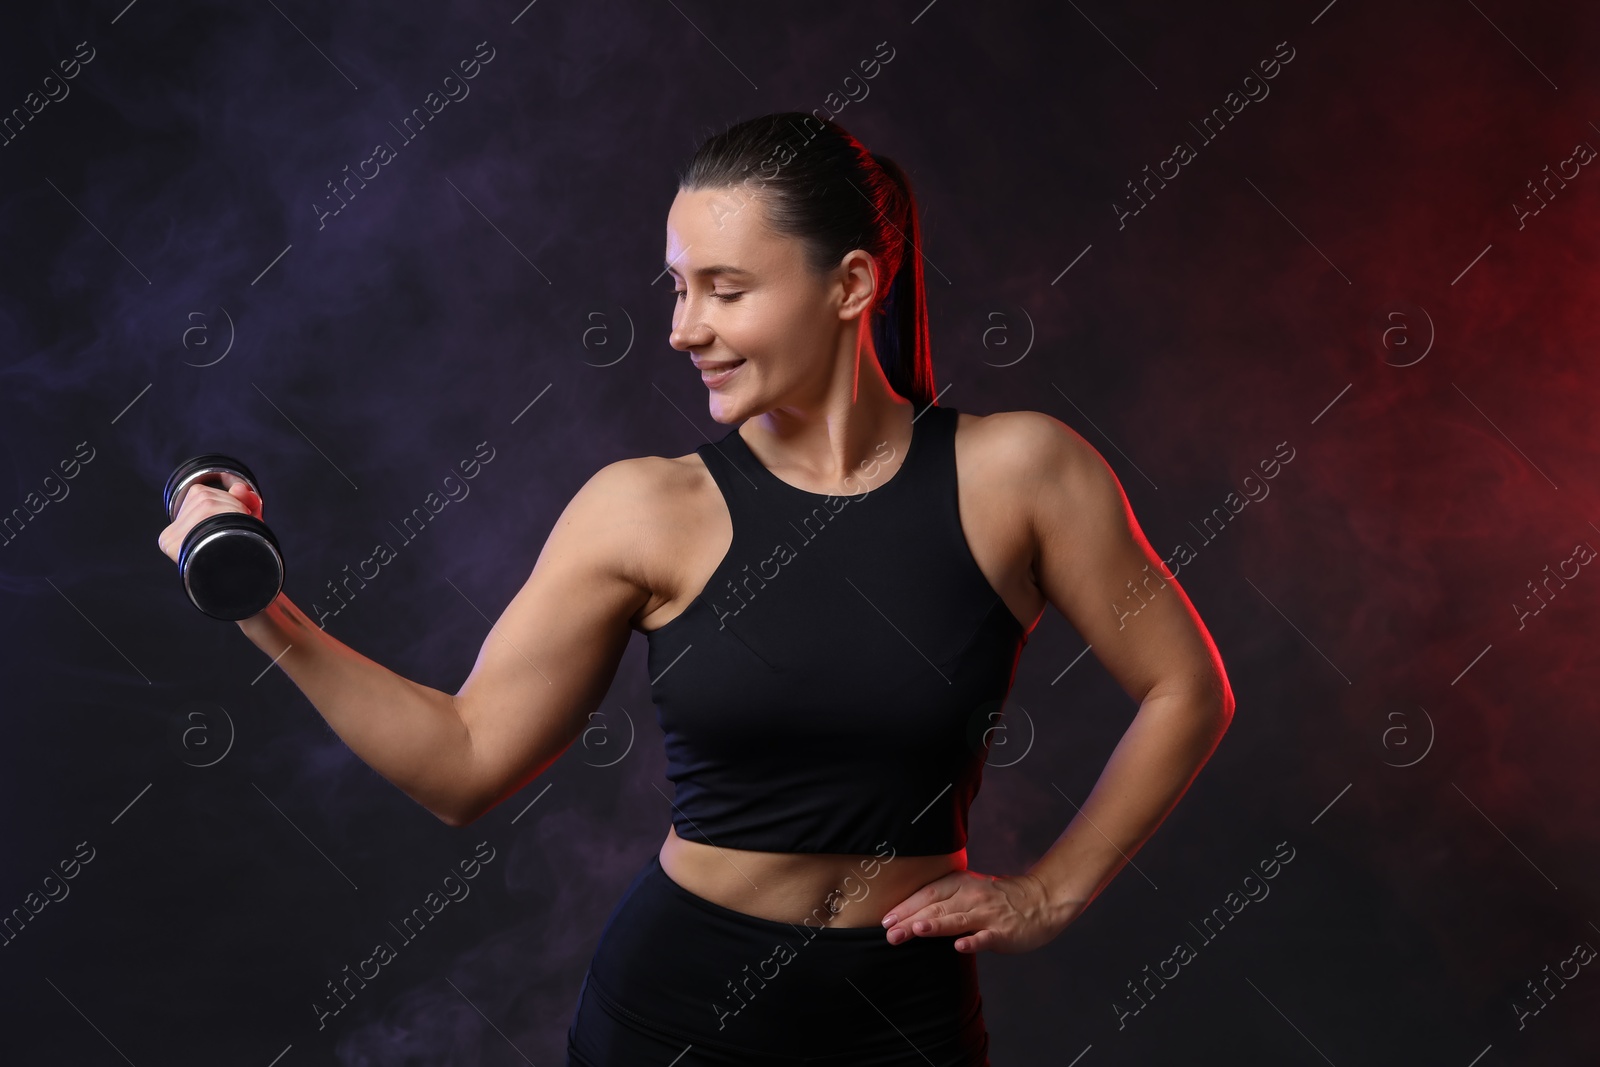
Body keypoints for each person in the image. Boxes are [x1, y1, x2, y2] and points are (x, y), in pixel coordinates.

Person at [158, 111, 1234, 1065]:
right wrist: (259, 601)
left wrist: (1050, 889)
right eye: (678, 287)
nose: (682, 327)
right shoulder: (642, 509)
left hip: (904, 1022)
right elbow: (463, 763)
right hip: (674, 1019)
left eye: (725, 288)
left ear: (853, 284)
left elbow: (1186, 686)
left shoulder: (1023, 475)